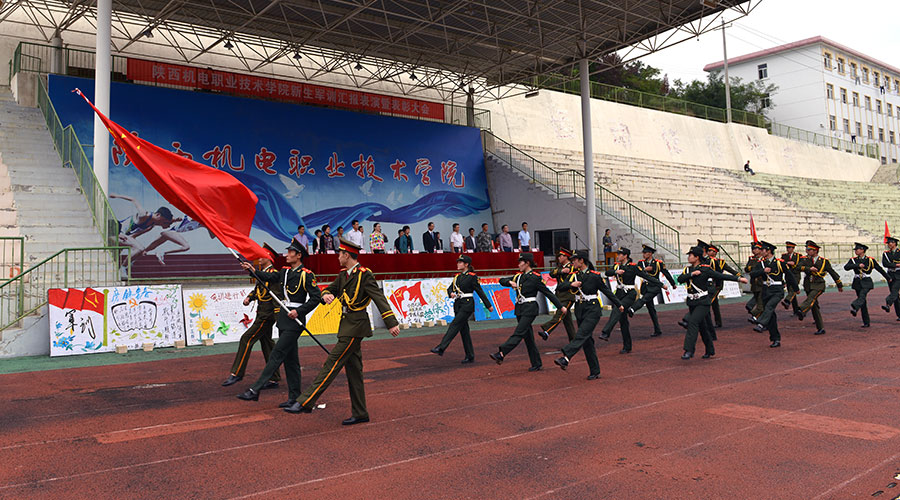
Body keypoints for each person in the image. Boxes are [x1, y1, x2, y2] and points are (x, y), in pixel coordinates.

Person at [290, 239, 400, 424]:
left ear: (346, 255)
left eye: (340, 254)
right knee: (354, 371)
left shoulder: (364, 275)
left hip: (356, 326)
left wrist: (391, 322)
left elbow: (379, 298)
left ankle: (306, 401)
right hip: (346, 324)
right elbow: (329, 289)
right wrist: (326, 294)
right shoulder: (343, 275)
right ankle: (360, 412)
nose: (338, 258)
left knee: (332, 362)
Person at [237, 239, 322, 407]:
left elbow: (315, 298)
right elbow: (268, 276)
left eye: (290, 252)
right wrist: (252, 271)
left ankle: (255, 389)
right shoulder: (284, 272)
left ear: (298, 255)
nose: (287, 254)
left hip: (295, 321)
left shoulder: (306, 275)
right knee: (291, 360)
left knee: (277, 353)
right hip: (284, 319)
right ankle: (294, 397)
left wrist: (299, 311)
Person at [553, 249, 622, 379]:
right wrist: (571, 284)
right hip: (580, 308)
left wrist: (619, 304)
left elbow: (606, 291)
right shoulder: (574, 275)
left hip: (592, 308)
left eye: (574, 260)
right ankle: (595, 370)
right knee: (587, 341)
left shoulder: (594, 276)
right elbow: (560, 287)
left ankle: (566, 357)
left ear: (581, 261)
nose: (572, 262)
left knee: (582, 333)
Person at [489, 253, 563, 371]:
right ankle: (536, 363)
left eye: (520, 262)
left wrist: (560, 306)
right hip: (520, 309)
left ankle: (502, 353)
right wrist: (509, 283)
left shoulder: (535, 277)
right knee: (528, 337)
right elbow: (501, 280)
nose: (518, 264)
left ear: (527, 263)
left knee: (519, 332)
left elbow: (547, 293)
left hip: (530, 308)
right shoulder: (518, 277)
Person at [222, 252, 282, 389]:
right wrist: (250, 297)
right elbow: (259, 289)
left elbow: (276, 295)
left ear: (269, 258)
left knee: (246, 339)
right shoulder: (263, 273)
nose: (259, 258)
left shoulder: (274, 274)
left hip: (266, 316)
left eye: (262, 256)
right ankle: (274, 378)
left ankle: (237, 372)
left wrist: (277, 317)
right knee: (267, 345)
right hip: (261, 313)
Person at [678, 245, 748, 359]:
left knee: (693, 322)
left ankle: (689, 350)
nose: (689, 257)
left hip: (703, 302)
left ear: (697, 257)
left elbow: (720, 275)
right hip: (692, 302)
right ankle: (710, 349)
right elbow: (680, 279)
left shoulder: (705, 269)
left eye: (691, 255)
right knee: (703, 328)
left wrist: (738, 279)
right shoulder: (688, 270)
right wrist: (691, 274)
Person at [431, 255, 493, 363]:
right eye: (458, 262)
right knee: (464, 331)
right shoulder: (457, 277)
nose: (458, 264)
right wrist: (451, 293)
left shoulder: (472, 277)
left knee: (455, 324)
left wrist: (488, 305)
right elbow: (450, 288)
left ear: (466, 264)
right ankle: (470, 355)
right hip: (458, 304)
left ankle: (441, 347)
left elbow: (480, 291)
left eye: (460, 262)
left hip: (467, 304)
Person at [599, 247, 661, 354]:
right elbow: (608, 272)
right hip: (619, 293)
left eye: (620, 254)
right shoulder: (617, 265)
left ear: (625, 256)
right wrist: (615, 271)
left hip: (630, 294)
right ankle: (627, 346)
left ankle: (606, 332)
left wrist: (661, 284)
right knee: (623, 321)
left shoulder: (633, 267)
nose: (618, 256)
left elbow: (647, 276)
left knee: (618, 309)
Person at [749, 241, 799, 348]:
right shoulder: (761, 263)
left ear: (768, 251)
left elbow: (789, 275)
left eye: (763, 250)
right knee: (771, 316)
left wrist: (796, 288)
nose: (761, 251)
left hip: (777, 291)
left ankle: (760, 324)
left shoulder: (779, 263)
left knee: (769, 306)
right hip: (766, 290)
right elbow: (752, 274)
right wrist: (763, 271)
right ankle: (775, 339)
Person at [794, 240, 843, 335]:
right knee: (814, 306)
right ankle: (820, 328)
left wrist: (839, 284)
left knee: (811, 298)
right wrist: (809, 269)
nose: (807, 251)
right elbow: (797, 267)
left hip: (818, 284)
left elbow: (832, 272)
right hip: (808, 284)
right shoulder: (804, 259)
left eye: (809, 250)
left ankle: (801, 309)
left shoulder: (824, 261)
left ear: (815, 251)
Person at [628, 244, 676, 337]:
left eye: (645, 253)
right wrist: (645, 269)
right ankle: (657, 329)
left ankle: (633, 309)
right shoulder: (641, 263)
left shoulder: (658, 263)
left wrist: (673, 284)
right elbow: (638, 271)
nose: (643, 254)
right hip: (645, 287)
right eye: (643, 253)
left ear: (650, 253)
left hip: (654, 287)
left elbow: (666, 273)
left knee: (644, 299)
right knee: (651, 309)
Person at [538, 248, 577, 343]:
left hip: (568, 295)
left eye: (560, 256)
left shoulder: (572, 267)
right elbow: (551, 273)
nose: (558, 258)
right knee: (567, 320)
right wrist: (561, 271)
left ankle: (547, 330)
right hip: (560, 295)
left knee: (559, 315)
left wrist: (563, 271)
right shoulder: (560, 268)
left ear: (566, 257)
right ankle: (574, 341)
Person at [844, 242, 888, 327]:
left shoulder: (870, 260)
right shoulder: (853, 260)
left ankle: (855, 306)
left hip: (866, 281)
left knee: (862, 295)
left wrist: (888, 278)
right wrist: (857, 265)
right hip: (857, 282)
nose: (856, 251)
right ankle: (866, 321)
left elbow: (879, 269)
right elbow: (846, 267)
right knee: (863, 302)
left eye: (857, 249)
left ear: (862, 250)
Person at [706, 243, 741, 330]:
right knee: (714, 303)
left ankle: (706, 323)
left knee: (708, 302)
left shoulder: (720, 262)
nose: (709, 252)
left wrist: (739, 276)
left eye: (711, 251)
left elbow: (730, 270)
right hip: (707, 285)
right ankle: (718, 322)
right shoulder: (705, 260)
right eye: (708, 250)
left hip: (717, 285)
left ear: (715, 253)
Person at [780, 242, 803, 315]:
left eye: (790, 248)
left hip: (796, 275)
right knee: (792, 293)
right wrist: (788, 263)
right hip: (788, 276)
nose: (788, 249)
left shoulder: (798, 256)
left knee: (793, 290)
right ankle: (796, 310)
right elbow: (782, 264)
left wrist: (790, 263)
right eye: (787, 247)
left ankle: (787, 301)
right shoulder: (784, 256)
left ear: (793, 248)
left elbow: (798, 265)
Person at [745, 242, 765, 321]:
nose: (754, 251)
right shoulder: (752, 259)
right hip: (754, 282)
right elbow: (747, 269)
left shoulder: (764, 259)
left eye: (756, 249)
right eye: (753, 249)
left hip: (762, 282)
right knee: (757, 298)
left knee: (761, 301)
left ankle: (755, 315)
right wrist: (752, 268)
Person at [881, 236, 900, 318]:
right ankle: (899, 314)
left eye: (890, 243)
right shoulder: (886, 254)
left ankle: (888, 303)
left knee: (894, 290)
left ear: (895, 243)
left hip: (899, 274)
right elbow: (885, 263)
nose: (889, 244)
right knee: (895, 295)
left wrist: (893, 265)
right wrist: (896, 265)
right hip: (890, 275)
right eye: (888, 243)